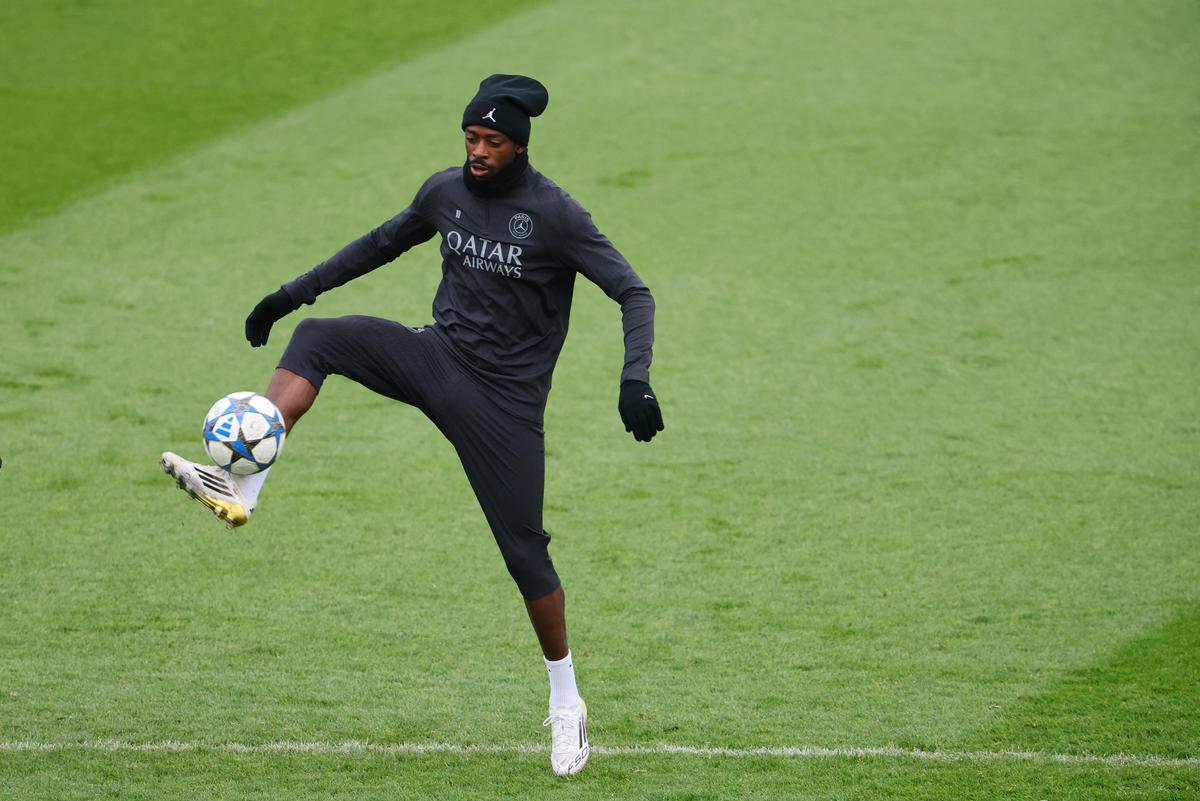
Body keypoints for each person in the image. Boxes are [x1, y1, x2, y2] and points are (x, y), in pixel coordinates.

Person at [160, 74, 663, 776]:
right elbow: (379, 244)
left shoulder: (556, 215)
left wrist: (635, 376)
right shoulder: (445, 192)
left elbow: (633, 292)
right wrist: (289, 295)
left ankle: (566, 700)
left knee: (525, 555)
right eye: (470, 138)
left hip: (504, 405)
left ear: (519, 146)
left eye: (491, 142)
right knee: (318, 336)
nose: (477, 151)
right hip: (436, 358)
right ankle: (243, 486)